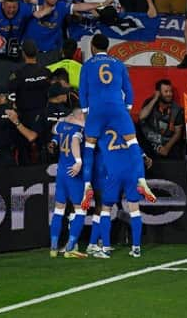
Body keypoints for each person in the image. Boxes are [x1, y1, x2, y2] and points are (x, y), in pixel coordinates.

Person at [79, 33, 142, 197]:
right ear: (108, 47)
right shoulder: (119, 64)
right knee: (132, 142)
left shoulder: (87, 65)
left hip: (96, 110)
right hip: (117, 109)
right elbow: (128, 90)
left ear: (92, 47)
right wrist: (126, 111)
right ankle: (141, 179)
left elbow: (82, 92)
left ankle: (87, 185)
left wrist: (86, 113)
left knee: (89, 147)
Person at [96, 121, 156, 259]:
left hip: (113, 172)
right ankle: (136, 248)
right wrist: (144, 155)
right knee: (134, 209)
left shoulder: (101, 127)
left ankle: (105, 249)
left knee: (106, 209)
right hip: (131, 171)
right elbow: (135, 147)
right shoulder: (126, 126)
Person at [49, 108, 88, 259]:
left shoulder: (63, 125)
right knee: (80, 210)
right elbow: (74, 141)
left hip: (61, 173)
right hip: (73, 173)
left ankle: (53, 247)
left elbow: (54, 128)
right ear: (79, 115)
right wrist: (78, 161)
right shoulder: (79, 128)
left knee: (59, 209)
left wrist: (67, 119)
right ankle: (70, 248)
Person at [8, 40, 51, 165]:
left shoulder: (18, 74)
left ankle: (25, 180)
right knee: (43, 149)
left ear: (23, 54)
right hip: (43, 117)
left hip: (24, 118)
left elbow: (10, 94)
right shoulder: (46, 72)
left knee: (24, 152)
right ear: (37, 53)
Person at [138, 79, 185, 159]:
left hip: (166, 142)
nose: (169, 94)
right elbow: (141, 116)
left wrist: (166, 148)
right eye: (166, 91)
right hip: (149, 141)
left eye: (170, 91)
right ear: (158, 93)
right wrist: (155, 98)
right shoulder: (150, 103)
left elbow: (178, 133)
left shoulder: (176, 109)